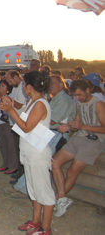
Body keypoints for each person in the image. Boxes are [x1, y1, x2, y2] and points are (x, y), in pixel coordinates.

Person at [0, 71, 55, 235]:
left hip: (38, 153)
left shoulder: (40, 104)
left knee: (44, 191)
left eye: (24, 84)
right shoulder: (33, 102)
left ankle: (45, 228)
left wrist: (10, 110)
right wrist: (11, 105)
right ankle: (36, 221)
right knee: (33, 189)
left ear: (30, 86)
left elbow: (26, 127)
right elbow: (24, 118)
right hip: (30, 151)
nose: (23, 87)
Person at [51, 79, 105, 218]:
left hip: (94, 141)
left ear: (88, 90)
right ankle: (62, 199)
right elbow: (77, 123)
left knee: (72, 171)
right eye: (75, 95)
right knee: (54, 162)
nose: (77, 98)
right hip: (79, 137)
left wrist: (81, 127)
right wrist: (68, 127)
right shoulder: (79, 104)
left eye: (79, 95)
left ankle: (55, 200)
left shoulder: (98, 104)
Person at [0, 82, 18, 174]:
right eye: (0, 86)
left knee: (11, 145)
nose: (0, 88)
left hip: (6, 123)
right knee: (3, 145)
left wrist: (2, 95)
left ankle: (13, 165)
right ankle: (5, 163)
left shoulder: (8, 97)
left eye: (3, 86)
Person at [47, 75, 76, 155]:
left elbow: (52, 121)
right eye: (49, 83)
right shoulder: (55, 98)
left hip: (58, 136)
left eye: (52, 83)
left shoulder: (64, 100)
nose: (50, 86)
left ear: (61, 85)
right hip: (51, 134)